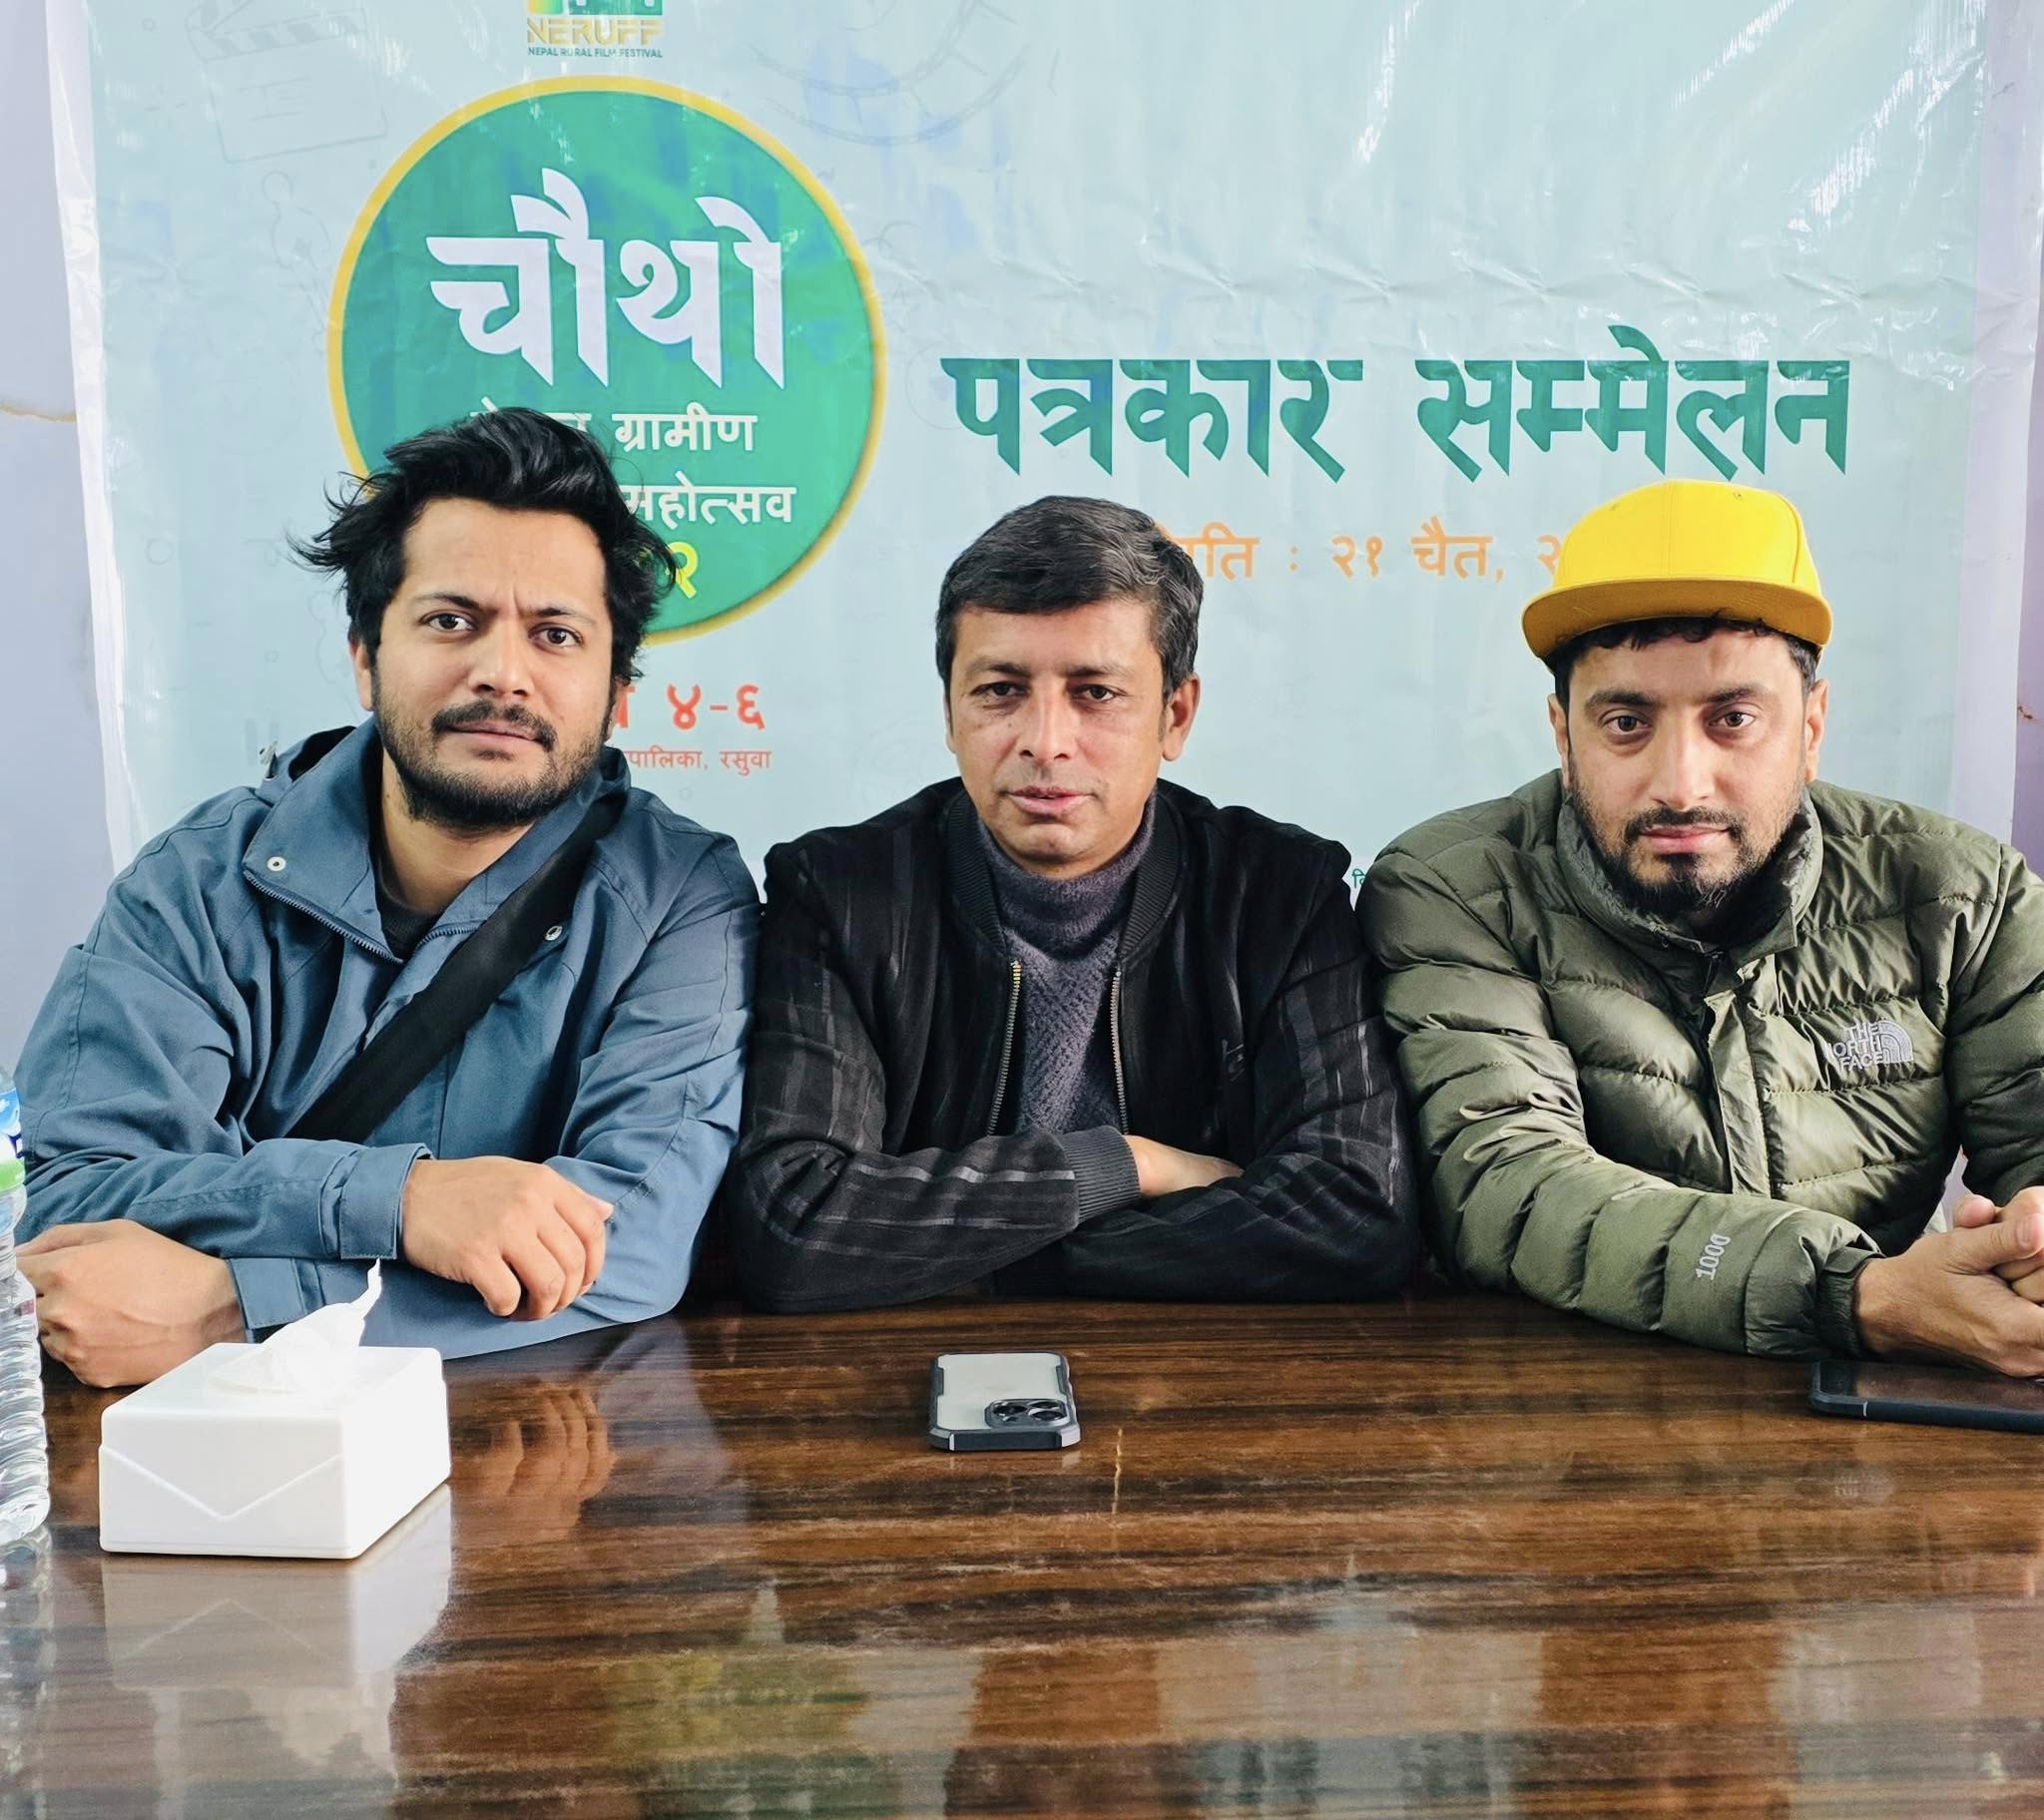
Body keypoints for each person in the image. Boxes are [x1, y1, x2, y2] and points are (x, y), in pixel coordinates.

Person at [15, 407, 757, 1386]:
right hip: (208, 1447)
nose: (502, 674)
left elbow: (629, 1247)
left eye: (555, 635)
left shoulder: (678, 898)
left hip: (536, 1440)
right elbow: (77, 1205)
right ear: (366, 658)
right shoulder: (196, 881)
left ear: (617, 691)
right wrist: (401, 1202)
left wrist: (237, 1308)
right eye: (451, 622)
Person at [1359, 477, 2044, 1372]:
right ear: (1563, 736)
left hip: (1883, 1415)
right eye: (1626, 722)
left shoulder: (1962, 894)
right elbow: (1508, 1183)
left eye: (1734, 720)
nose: (1681, 783)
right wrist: (1849, 1294)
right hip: (1553, 1410)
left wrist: (2028, 1249)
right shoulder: (1458, 890)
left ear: (1812, 727)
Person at [729, 494, 1416, 1311]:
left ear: (1176, 715)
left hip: (1205, 1371)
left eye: (1095, 693)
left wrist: (1000, 1257)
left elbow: (1356, 1211)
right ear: (950, 711)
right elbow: (794, 1224)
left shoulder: (1278, 896)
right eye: (1000, 690)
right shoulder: (839, 894)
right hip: (906, 1366)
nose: (1045, 741)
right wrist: (1125, 1166)